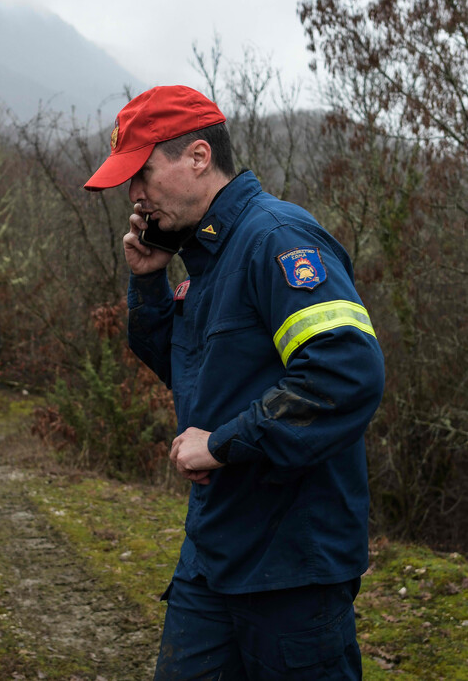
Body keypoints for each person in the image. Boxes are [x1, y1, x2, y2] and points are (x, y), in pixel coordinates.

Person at [84, 85, 385, 680]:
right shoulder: (206, 258)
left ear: (198, 157)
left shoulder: (276, 238)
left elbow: (346, 371)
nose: (134, 194)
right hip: (214, 554)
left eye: (142, 173)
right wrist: (148, 281)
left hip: (292, 560)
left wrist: (223, 443)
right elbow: (188, 371)